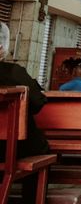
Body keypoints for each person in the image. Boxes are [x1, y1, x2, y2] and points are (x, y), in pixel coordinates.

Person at [0, 23, 50, 203]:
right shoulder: (13, 72)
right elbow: (37, 103)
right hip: (6, 147)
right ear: (1, 48)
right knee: (40, 148)